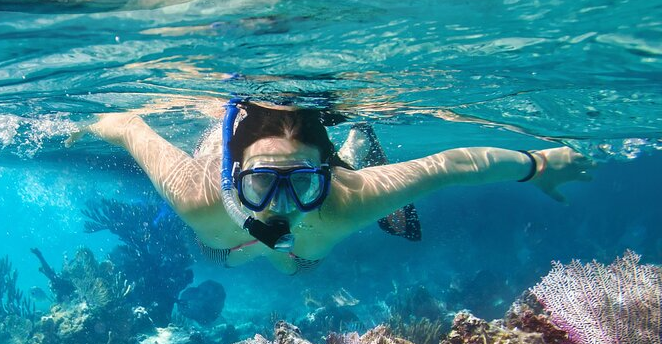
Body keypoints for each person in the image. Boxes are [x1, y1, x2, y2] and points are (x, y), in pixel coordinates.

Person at [67, 100, 594, 275]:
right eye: (261, 183)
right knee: (230, 255)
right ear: (234, 179)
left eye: (301, 183)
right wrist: (85, 126)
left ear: (326, 176)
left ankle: (354, 149)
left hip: (317, 211)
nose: (280, 205)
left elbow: (451, 164)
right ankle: (349, 154)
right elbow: (129, 125)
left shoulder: (347, 199)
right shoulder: (197, 196)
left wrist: (538, 163)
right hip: (225, 242)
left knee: (295, 263)